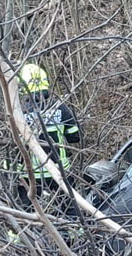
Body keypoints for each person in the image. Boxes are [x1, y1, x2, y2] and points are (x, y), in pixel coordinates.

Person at [14, 63, 81, 218]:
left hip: (30, 174)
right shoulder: (60, 108)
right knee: (70, 209)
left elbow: (13, 145)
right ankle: (74, 236)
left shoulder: (19, 112)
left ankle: (25, 239)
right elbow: (75, 137)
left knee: (27, 212)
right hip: (59, 171)